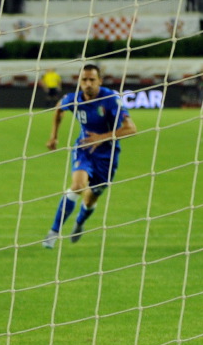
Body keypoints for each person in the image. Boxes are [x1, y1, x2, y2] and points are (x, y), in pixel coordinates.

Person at [44, 64, 136, 249]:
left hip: (107, 155)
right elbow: (58, 109)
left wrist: (101, 138)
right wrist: (54, 136)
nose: (88, 84)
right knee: (77, 185)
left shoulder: (110, 99)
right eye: (84, 80)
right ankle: (53, 232)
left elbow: (131, 128)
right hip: (84, 148)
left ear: (100, 81)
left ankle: (79, 221)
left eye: (92, 80)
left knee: (91, 199)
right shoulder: (74, 99)